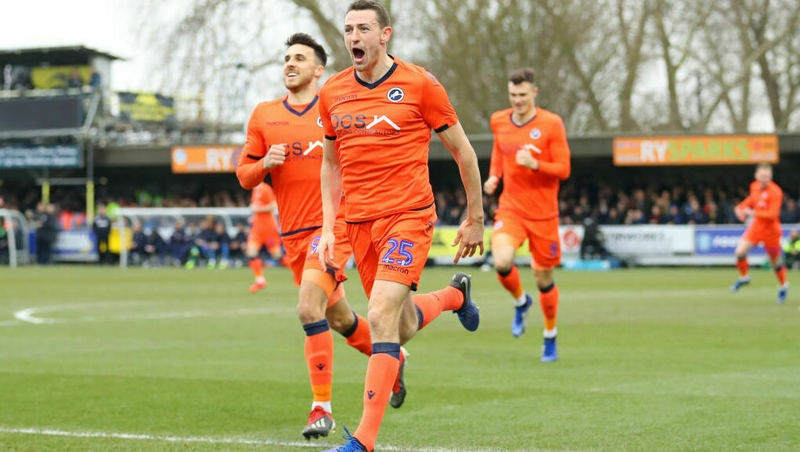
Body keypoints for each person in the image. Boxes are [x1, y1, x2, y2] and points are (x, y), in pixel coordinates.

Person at [317, 3, 484, 451]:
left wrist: (476, 218)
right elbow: (330, 164)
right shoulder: (333, 92)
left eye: (363, 28)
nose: (354, 36)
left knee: (378, 314)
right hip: (359, 224)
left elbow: (464, 152)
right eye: (348, 29)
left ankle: (363, 441)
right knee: (399, 324)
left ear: (384, 34)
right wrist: (329, 227)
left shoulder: (420, 84)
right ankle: (454, 296)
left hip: (409, 217)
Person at [236, 32, 407, 441]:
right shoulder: (263, 115)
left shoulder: (336, 107)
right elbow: (244, 175)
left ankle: (321, 409)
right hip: (294, 236)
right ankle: (393, 357)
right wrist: (264, 165)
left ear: (318, 69)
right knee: (340, 319)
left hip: (334, 228)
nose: (290, 64)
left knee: (307, 308)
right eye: (286, 58)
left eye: (299, 58)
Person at [483, 67, 571, 362]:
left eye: (522, 95)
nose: (517, 100)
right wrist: (494, 176)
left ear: (534, 93)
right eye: (513, 95)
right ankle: (521, 302)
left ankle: (550, 335)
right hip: (511, 207)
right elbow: (499, 150)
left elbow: (564, 168)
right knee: (502, 260)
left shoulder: (551, 124)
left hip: (545, 214)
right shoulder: (499, 120)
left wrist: (536, 164)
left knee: (543, 276)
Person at [730, 163, 789, 303]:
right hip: (757, 227)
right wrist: (740, 207)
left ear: (771, 177)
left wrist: (751, 212)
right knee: (739, 252)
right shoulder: (754, 186)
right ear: (757, 176)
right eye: (762, 176)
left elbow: (773, 214)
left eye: (767, 176)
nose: (765, 179)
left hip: (771, 230)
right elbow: (752, 200)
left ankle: (783, 286)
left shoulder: (776, 192)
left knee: (774, 262)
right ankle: (744, 277)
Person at [244, 182, 288, 291]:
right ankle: (260, 280)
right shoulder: (255, 190)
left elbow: (273, 206)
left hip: (268, 228)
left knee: (278, 256)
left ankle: (298, 273)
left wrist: (257, 210)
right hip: (257, 228)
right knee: (251, 253)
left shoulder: (265, 189)